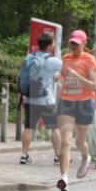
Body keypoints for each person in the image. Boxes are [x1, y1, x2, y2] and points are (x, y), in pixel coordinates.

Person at [56, 29, 96, 191]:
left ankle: (85, 157)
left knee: (80, 141)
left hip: (85, 102)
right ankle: (64, 178)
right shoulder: (65, 58)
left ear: (84, 44)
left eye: (76, 44)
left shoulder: (90, 60)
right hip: (66, 101)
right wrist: (57, 77)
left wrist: (76, 75)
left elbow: (94, 86)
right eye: (71, 43)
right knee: (65, 140)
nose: (73, 46)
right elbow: (62, 77)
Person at [18, 31, 62, 165]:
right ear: (49, 45)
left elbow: (23, 76)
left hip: (30, 99)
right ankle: (57, 157)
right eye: (53, 42)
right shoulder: (53, 61)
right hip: (46, 100)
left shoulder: (29, 58)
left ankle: (24, 155)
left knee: (28, 127)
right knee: (54, 128)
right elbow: (60, 74)